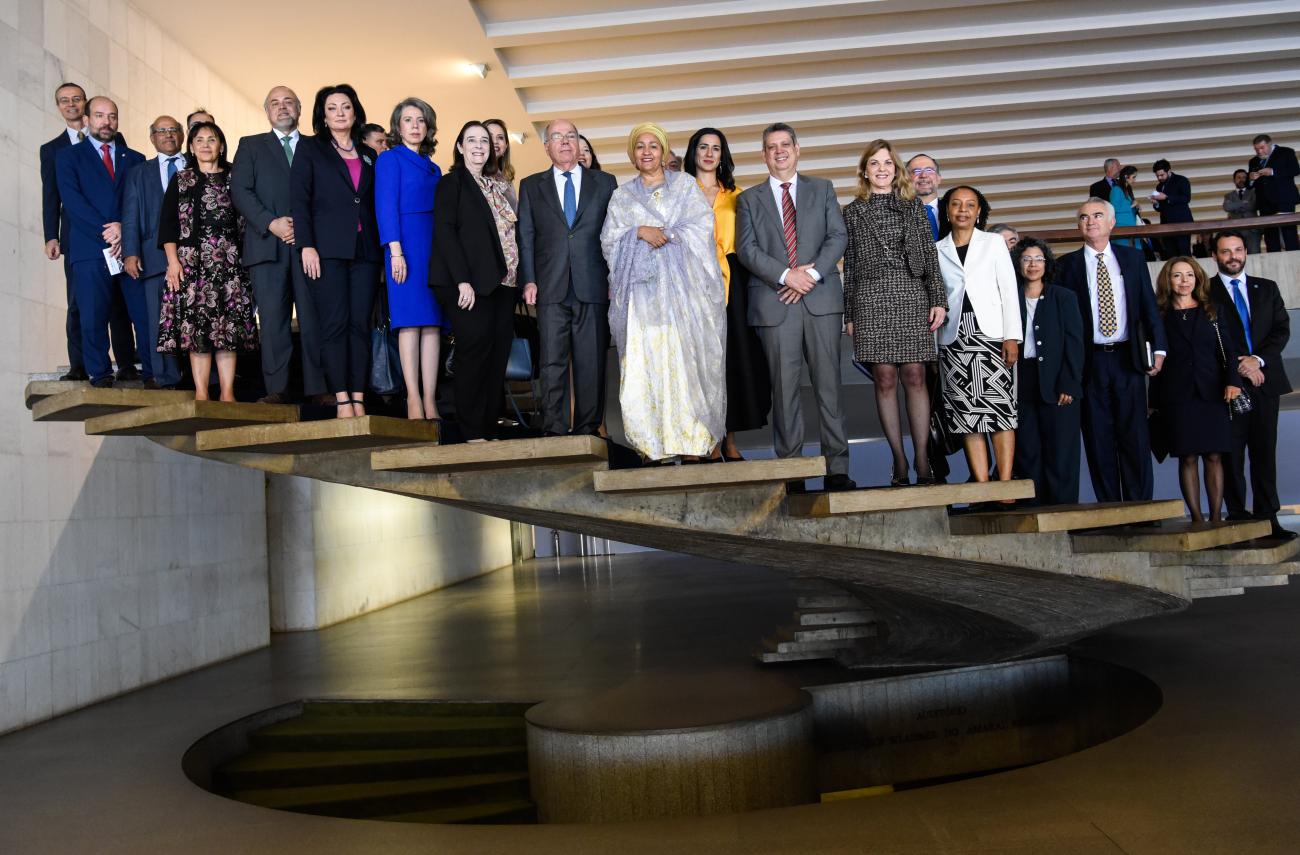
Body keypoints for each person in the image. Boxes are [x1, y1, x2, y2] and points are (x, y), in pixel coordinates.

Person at [737, 122, 855, 492]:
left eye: (785, 144)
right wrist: (788, 276)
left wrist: (814, 274)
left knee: (829, 387)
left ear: (797, 149)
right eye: (771, 147)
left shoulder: (822, 189)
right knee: (783, 390)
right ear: (764, 155)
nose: (779, 151)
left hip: (820, 300)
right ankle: (792, 470)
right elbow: (747, 249)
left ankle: (837, 468)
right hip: (776, 303)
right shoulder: (749, 199)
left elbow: (838, 236)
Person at [600, 123, 726, 461]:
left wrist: (665, 235)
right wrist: (638, 232)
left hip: (683, 301)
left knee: (684, 367)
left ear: (664, 151)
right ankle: (651, 446)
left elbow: (702, 228)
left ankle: (692, 443)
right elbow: (609, 242)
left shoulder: (685, 186)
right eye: (639, 146)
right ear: (632, 154)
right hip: (642, 302)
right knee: (646, 366)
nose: (646, 152)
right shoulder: (621, 197)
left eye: (653, 146)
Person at [842, 139, 946, 486]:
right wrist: (849, 315)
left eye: (887, 163)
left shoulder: (913, 206)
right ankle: (898, 461)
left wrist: (938, 300)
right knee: (884, 377)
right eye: (874, 163)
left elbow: (930, 258)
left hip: (911, 294)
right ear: (865, 171)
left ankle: (922, 459)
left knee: (915, 375)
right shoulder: (853, 211)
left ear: (895, 169)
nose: (882, 169)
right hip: (870, 298)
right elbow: (851, 266)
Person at [1058, 198, 1167, 502]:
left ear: (1111, 222)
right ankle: (1111, 509)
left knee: (1134, 436)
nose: (1090, 221)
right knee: (1098, 438)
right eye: (1083, 217)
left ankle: (1142, 508)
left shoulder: (1132, 259)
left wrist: (1159, 349)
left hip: (1127, 358)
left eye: (1096, 215)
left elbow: (1148, 307)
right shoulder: (1066, 266)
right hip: (1088, 363)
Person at [517, 118, 618, 436]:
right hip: (550, 285)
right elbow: (526, 235)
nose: (564, 141)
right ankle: (555, 429)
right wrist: (529, 279)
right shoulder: (532, 185)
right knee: (552, 361)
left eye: (570, 136)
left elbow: (615, 235)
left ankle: (589, 429)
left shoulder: (605, 183)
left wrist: (615, 280)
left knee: (592, 362)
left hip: (593, 284)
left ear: (578, 143)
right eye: (556, 137)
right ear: (546, 146)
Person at [291, 83, 382, 418]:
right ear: (323, 115)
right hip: (326, 250)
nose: (340, 112)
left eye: (346, 106)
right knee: (334, 325)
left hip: (366, 250)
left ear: (355, 111)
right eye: (332, 108)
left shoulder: (369, 153)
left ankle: (359, 396)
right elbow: (299, 200)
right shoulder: (310, 149)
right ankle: (342, 398)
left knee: (361, 325)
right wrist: (306, 246)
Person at [231, 85, 325, 405]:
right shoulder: (250, 146)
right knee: (272, 322)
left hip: (310, 247)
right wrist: (272, 223)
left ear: (299, 108)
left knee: (315, 319)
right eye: (275, 103)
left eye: (288, 102)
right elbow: (241, 191)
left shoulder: (318, 146)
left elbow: (328, 194)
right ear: (267, 111)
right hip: (266, 247)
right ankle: (278, 389)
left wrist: (307, 228)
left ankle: (318, 389)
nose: (282, 108)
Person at [41, 82, 137, 382]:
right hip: (79, 237)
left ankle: (126, 361)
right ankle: (80, 364)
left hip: (119, 236)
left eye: (76, 99)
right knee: (80, 306)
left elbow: (126, 189)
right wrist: (51, 235)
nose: (71, 104)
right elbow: (52, 195)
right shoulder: (53, 150)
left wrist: (122, 228)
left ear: (85, 105)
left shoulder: (114, 140)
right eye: (64, 100)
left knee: (120, 304)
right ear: (58, 106)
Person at [685, 127, 770, 461]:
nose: (709, 153)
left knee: (730, 360)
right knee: (696, 362)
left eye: (716, 148)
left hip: (732, 280)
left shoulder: (738, 195)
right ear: (693, 152)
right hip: (689, 277)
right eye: (703, 147)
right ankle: (700, 440)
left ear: (723, 155)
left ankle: (728, 440)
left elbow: (752, 243)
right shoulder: (678, 190)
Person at [429, 121, 518, 442]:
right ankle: (469, 429)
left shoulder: (496, 185)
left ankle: (487, 426)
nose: (480, 146)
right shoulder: (452, 183)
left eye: (485, 141)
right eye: (472, 140)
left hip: (502, 284)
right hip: (466, 284)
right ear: (460, 147)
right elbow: (445, 232)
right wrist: (462, 281)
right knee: (473, 351)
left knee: (496, 357)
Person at [157, 122, 257, 402]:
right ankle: (201, 392)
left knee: (228, 329)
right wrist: (173, 262)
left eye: (211, 139)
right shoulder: (182, 179)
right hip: (191, 264)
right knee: (197, 329)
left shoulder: (235, 178)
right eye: (198, 140)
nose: (205, 144)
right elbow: (167, 225)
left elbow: (246, 220)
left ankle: (227, 393)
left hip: (230, 263)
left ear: (221, 145)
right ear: (191, 147)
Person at [935, 186, 1022, 487]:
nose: (963, 210)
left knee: (1001, 411)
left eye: (970, 205)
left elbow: (1009, 290)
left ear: (979, 211)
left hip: (993, 337)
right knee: (967, 416)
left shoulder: (994, 242)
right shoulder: (937, 248)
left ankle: (1006, 483)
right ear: (947, 210)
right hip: (954, 338)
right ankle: (983, 484)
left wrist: (1012, 336)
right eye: (956, 204)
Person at [1209, 231, 1293, 539]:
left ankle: (1268, 518)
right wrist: (1240, 367)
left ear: (1246, 252)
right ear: (1215, 256)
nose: (1233, 256)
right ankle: (1238, 517)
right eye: (1225, 251)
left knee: (1264, 453)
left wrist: (1257, 359)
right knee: (1232, 454)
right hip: (1227, 385)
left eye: (1238, 250)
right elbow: (1210, 339)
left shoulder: (1266, 288)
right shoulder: (1205, 291)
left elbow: (1281, 330)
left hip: (1265, 382)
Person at [1149, 259, 1243, 523]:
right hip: (1176, 395)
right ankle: (1197, 519)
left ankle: (1215, 518)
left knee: (1214, 456)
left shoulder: (1213, 311)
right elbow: (1156, 359)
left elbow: (1229, 350)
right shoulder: (1159, 315)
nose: (1184, 280)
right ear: (1168, 280)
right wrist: (1152, 401)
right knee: (1187, 457)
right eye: (1177, 275)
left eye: (1189, 275)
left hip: (1213, 392)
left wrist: (1233, 381)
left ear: (1198, 278)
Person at [376, 97, 444, 421]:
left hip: (434, 249)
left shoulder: (434, 167)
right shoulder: (390, 159)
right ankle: (413, 399)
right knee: (408, 324)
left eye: (420, 120)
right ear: (398, 126)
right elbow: (385, 207)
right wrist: (395, 251)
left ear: (428, 126)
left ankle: (431, 400)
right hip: (404, 250)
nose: (415, 126)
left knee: (432, 325)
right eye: (408, 120)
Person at [1010, 238, 1083, 506]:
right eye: (1026, 259)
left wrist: (1069, 383)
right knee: (1028, 450)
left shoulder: (1063, 297)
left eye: (1038, 259)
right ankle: (1033, 511)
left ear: (1047, 262)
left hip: (1057, 381)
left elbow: (1075, 344)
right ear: (1018, 264)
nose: (1033, 264)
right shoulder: (1009, 297)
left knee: (1061, 451)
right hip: (1021, 379)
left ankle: (1063, 512)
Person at [121, 115, 185, 389]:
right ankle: (165, 377)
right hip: (153, 256)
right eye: (162, 131)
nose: (168, 135)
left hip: (196, 254)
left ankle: (205, 377)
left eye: (173, 130)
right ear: (152, 138)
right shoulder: (138, 172)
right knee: (159, 320)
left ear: (182, 135)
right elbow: (131, 214)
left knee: (197, 315)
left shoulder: (195, 164)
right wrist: (130, 252)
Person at [1248, 133, 1300, 251]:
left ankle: (1295, 257)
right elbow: (1249, 186)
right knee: (1270, 235)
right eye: (1256, 149)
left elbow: (1295, 170)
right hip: (1265, 202)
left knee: (1288, 232)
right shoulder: (1253, 161)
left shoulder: (1286, 152)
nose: (1259, 152)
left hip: (1284, 199)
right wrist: (1251, 179)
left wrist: (1273, 172)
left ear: (1270, 144)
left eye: (1262, 148)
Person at [1151, 159, 1193, 258]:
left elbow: (1186, 198)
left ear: (1169, 171)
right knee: (1171, 254)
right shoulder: (1159, 186)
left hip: (1182, 222)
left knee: (1184, 252)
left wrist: (1166, 197)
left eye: (1162, 175)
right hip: (1166, 224)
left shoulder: (1181, 180)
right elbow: (1161, 208)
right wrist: (1156, 203)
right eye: (1157, 176)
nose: (1159, 178)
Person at [1222, 169, 1261, 254]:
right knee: (1237, 257)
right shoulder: (1228, 195)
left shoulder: (1254, 192)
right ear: (1234, 180)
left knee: (1254, 256)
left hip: (1252, 231)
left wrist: (1235, 205)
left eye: (1244, 177)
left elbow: (1254, 206)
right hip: (1235, 232)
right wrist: (1243, 202)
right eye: (1238, 177)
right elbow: (1227, 207)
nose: (1241, 179)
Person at [906, 153, 942, 239]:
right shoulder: (898, 214)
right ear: (907, 180)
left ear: (939, 178)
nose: (923, 175)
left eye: (929, 170)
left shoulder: (953, 211)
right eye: (916, 171)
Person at [483, 119, 518, 206]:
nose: (495, 142)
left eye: (500, 138)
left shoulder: (506, 176)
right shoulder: (473, 174)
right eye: (489, 137)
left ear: (506, 145)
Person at [1109, 165, 1141, 248]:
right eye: (1133, 177)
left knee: (1136, 251)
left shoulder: (1128, 190)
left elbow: (1129, 209)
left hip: (1131, 225)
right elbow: (1113, 208)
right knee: (1123, 251)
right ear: (1126, 177)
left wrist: (1136, 207)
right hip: (1121, 226)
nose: (1135, 180)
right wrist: (1131, 206)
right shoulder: (1116, 189)